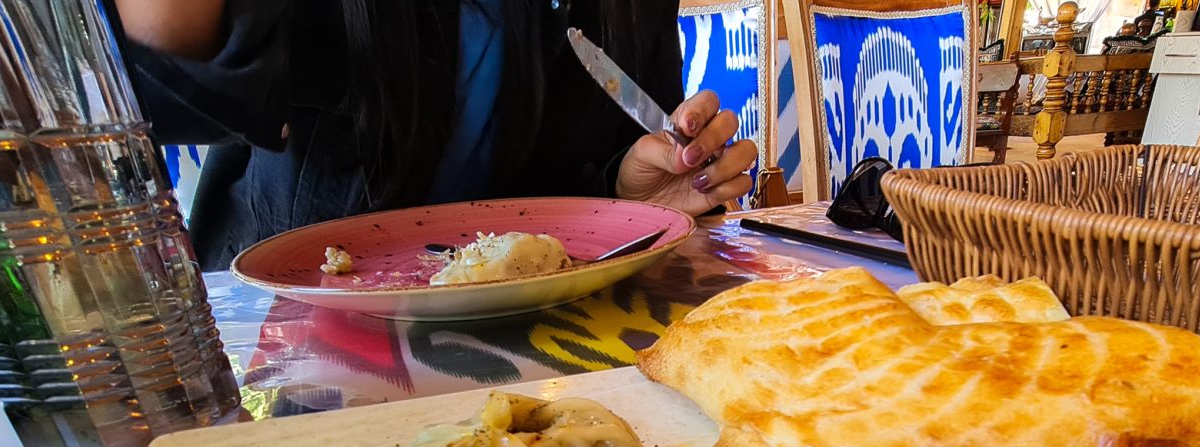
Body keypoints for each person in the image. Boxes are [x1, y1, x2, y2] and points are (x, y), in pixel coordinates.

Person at [116, 0, 758, 269]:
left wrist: (627, 200)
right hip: (299, 333)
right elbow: (171, 99)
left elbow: (576, 169)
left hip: (535, 332)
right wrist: (174, 31)